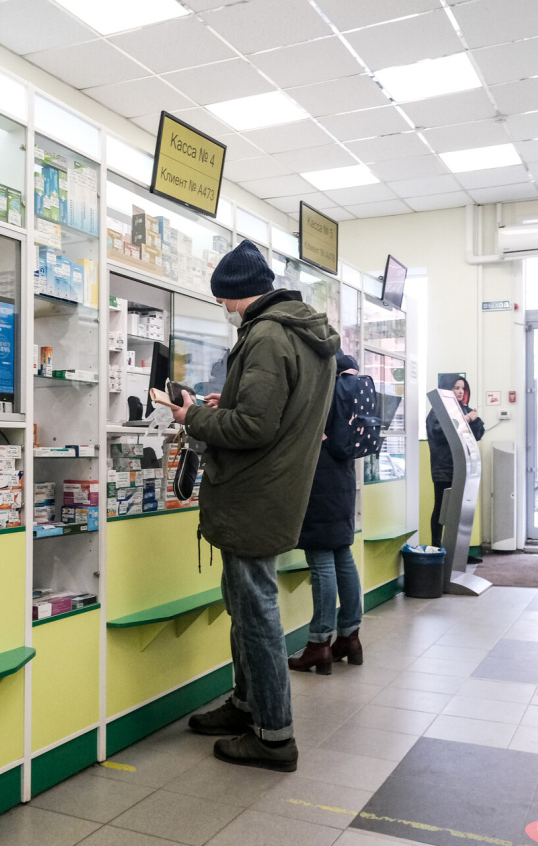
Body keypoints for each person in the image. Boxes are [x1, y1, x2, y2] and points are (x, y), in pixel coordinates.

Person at [171, 239, 340, 772]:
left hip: (253, 493)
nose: (224, 309)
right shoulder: (302, 331)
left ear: (239, 295)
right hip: (274, 489)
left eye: (224, 300)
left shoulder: (266, 334)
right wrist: (227, 403)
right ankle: (247, 706)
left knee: (257, 615)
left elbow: (253, 427)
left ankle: (273, 736)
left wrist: (193, 417)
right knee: (246, 610)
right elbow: (272, 413)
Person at [288, 350, 364, 675]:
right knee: (343, 556)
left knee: (321, 561)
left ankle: (319, 644)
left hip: (318, 478)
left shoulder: (322, 382)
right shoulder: (350, 378)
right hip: (344, 478)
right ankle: (350, 637)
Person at [426, 376, 484, 547]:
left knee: (460, 510)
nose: (460, 392)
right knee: (441, 508)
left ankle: (458, 551)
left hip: (463, 468)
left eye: (462, 388)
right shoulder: (437, 411)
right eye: (456, 388)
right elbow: (441, 433)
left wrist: (474, 420)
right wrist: (466, 419)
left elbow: (478, 434)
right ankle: (436, 548)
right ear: (446, 390)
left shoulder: (464, 409)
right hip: (444, 468)